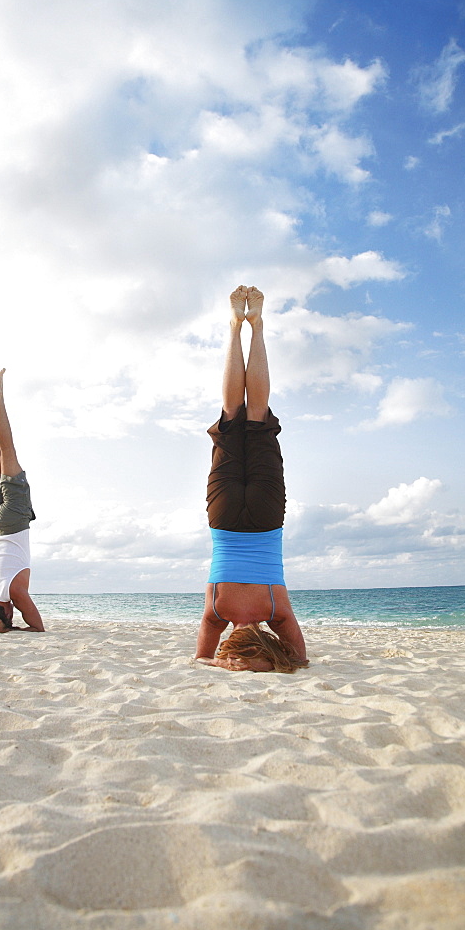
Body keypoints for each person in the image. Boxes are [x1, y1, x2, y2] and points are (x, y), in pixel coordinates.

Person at [195, 287, 308, 673]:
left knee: (256, 417)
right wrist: (218, 660)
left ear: (265, 640)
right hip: (225, 521)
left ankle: (255, 327)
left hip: (265, 520)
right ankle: (234, 327)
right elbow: (201, 658)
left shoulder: (275, 611)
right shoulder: (217, 611)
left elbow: (300, 656)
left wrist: (281, 655)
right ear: (232, 641)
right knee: (230, 418)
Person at [0, 369, 45, 633]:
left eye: (10, 616)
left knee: (6, 450)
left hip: (14, 520)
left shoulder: (15, 593)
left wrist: (9, 629)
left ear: (5, 613)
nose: (15, 613)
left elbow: (37, 627)